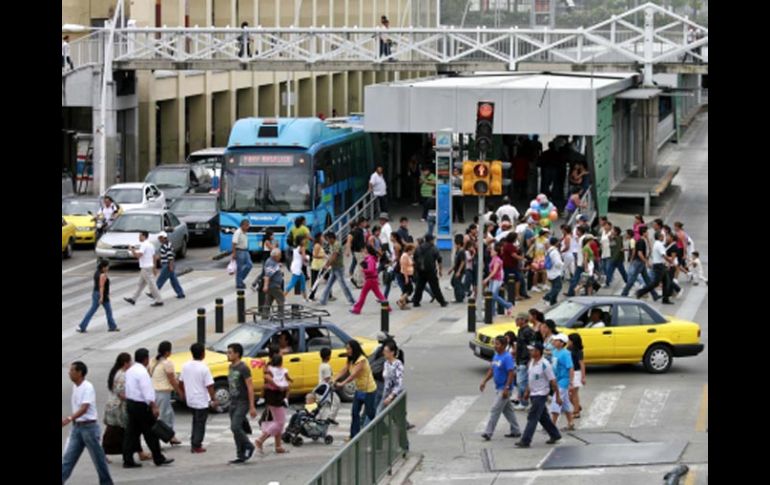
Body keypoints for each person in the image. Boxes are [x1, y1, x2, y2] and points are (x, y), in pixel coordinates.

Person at [62, 361, 114, 485]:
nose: (69, 373)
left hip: (89, 428)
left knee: (98, 459)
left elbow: (84, 408)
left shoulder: (87, 387)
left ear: (79, 373)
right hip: (77, 428)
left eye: (72, 370)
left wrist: (69, 418)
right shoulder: (76, 386)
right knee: (68, 458)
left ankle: (106, 482)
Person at [123, 348, 174, 467]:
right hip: (141, 406)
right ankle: (158, 458)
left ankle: (128, 460)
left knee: (131, 433)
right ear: (145, 359)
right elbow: (147, 391)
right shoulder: (142, 372)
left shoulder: (130, 370)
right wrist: (154, 406)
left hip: (131, 403)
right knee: (151, 432)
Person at [103, 353, 152, 462]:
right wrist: (134, 399)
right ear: (125, 363)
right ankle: (138, 453)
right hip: (119, 407)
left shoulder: (117, 372)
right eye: (130, 362)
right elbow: (121, 393)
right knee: (128, 431)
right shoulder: (122, 374)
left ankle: (139, 452)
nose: (131, 364)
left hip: (114, 406)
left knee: (122, 431)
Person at [514, 342, 563, 448]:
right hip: (533, 393)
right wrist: (527, 392)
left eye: (532, 350)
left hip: (541, 395)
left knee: (532, 417)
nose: (530, 352)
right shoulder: (531, 362)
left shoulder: (545, 364)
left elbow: (553, 381)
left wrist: (558, 397)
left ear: (538, 351)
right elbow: (530, 379)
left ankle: (525, 440)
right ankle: (555, 435)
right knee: (543, 417)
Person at [479, 336, 521, 441]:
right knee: (508, 411)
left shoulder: (507, 357)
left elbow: (511, 373)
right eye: (495, 343)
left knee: (495, 409)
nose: (495, 346)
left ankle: (488, 432)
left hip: (504, 388)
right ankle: (516, 430)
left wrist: (507, 388)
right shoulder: (496, 355)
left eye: (497, 344)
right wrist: (484, 381)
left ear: (504, 345)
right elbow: (492, 370)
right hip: (498, 388)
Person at [333, 339, 377, 439]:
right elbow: (344, 370)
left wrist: (342, 383)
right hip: (359, 389)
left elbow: (353, 375)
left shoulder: (361, 360)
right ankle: (354, 436)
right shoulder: (350, 359)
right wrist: (334, 379)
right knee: (354, 413)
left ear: (354, 349)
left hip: (368, 390)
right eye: (346, 348)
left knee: (371, 414)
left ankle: (383, 430)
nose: (347, 351)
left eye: (349, 349)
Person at [179, 343, 218, 453]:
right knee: (200, 424)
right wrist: (213, 399)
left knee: (195, 421)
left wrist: (184, 393)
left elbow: (180, 383)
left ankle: (193, 442)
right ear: (203, 354)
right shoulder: (204, 368)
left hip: (191, 399)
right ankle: (196, 445)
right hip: (201, 400)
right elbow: (209, 386)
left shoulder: (185, 366)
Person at [226, 343, 257, 464]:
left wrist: (252, 406)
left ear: (237, 354)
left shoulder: (243, 368)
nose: (228, 355)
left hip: (242, 402)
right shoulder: (231, 367)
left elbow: (250, 387)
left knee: (235, 426)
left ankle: (249, 445)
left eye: (230, 352)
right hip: (233, 402)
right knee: (236, 430)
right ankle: (240, 454)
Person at [255, 354, 291, 454]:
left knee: (277, 421)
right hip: (276, 398)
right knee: (280, 423)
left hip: (274, 398)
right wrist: (280, 386)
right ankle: (260, 440)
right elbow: (268, 379)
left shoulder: (271, 369)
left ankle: (278, 446)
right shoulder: (270, 370)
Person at [150, 341, 183, 446]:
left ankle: (171, 437)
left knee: (169, 415)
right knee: (164, 416)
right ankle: (164, 438)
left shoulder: (153, 360)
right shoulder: (167, 363)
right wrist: (179, 391)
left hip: (154, 392)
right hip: (163, 393)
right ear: (167, 352)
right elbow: (172, 380)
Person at [77, 260, 119, 333]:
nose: (108, 267)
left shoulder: (97, 272)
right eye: (107, 266)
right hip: (101, 294)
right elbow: (101, 286)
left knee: (93, 310)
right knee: (108, 311)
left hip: (95, 293)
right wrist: (102, 297)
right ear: (103, 267)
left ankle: (82, 326)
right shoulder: (102, 275)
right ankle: (112, 326)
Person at [124, 231, 163, 307]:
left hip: (146, 268)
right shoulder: (150, 245)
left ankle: (159, 300)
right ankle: (133, 299)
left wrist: (132, 250)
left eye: (140, 236)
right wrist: (154, 267)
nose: (139, 237)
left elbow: (139, 256)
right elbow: (154, 257)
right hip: (148, 267)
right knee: (140, 284)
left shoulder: (144, 245)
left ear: (144, 236)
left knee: (152, 285)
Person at [351, 245, 391, 314]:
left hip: (370, 280)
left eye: (365, 249)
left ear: (367, 250)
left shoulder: (370, 259)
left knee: (363, 294)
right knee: (379, 294)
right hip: (373, 279)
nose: (363, 250)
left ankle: (357, 309)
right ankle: (388, 307)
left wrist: (364, 270)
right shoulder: (370, 258)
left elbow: (371, 270)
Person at [319, 231, 356, 306]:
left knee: (343, 285)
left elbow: (334, 256)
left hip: (338, 268)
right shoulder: (332, 245)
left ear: (331, 238)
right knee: (329, 284)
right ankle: (323, 300)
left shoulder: (336, 245)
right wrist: (326, 264)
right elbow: (331, 256)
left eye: (328, 239)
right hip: (334, 267)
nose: (327, 241)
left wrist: (327, 265)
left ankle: (352, 300)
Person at [636, 231, 673, 304]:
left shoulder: (656, 243)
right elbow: (663, 255)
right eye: (662, 236)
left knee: (666, 281)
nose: (664, 237)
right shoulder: (659, 244)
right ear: (659, 237)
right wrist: (670, 260)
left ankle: (665, 299)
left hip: (660, 265)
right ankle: (640, 292)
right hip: (659, 265)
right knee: (656, 283)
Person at [412, 234, 448, 307]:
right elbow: (439, 260)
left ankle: (416, 302)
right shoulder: (434, 248)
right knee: (435, 287)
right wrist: (440, 270)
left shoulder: (419, 248)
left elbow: (414, 259)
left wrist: (416, 269)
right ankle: (442, 302)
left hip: (421, 271)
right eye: (433, 239)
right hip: (431, 271)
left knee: (419, 287)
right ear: (431, 240)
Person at [549, 334, 575, 430]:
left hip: (564, 380)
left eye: (556, 340)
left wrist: (571, 382)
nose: (554, 342)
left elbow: (570, 368)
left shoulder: (566, 353)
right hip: (557, 380)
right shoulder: (554, 352)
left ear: (562, 343)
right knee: (565, 403)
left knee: (556, 400)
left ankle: (552, 425)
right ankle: (571, 423)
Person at [484, 243, 514, 316]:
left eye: (492, 250)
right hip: (493, 279)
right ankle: (492, 312)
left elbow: (494, 271)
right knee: (491, 296)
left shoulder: (497, 260)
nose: (491, 251)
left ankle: (508, 305)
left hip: (497, 280)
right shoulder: (493, 259)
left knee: (494, 295)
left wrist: (487, 279)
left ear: (496, 252)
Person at [153, 231, 185, 299]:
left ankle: (154, 293)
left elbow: (170, 256)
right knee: (174, 280)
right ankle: (180, 293)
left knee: (161, 279)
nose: (159, 239)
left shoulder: (167, 245)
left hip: (167, 265)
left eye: (160, 238)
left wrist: (170, 266)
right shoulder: (165, 245)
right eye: (159, 238)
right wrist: (158, 257)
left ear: (164, 238)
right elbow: (164, 254)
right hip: (167, 264)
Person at [513, 313, 535, 409]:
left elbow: (531, 347)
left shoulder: (528, 332)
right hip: (520, 360)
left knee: (521, 382)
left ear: (523, 320)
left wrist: (530, 360)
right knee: (521, 382)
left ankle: (525, 402)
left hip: (525, 360)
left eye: (517, 319)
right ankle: (523, 401)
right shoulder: (520, 330)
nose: (516, 321)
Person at [376, 339, 405, 414]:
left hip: (394, 395)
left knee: (386, 414)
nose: (384, 353)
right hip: (385, 393)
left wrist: (391, 396)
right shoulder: (386, 363)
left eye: (386, 351)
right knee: (379, 412)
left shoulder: (398, 364)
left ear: (392, 352)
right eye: (384, 351)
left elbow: (399, 383)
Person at [317, 347, 341, 423]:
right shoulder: (326, 366)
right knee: (336, 402)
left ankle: (326, 418)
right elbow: (327, 379)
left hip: (322, 388)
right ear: (328, 356)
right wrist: (335, 384)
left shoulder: (321, 365)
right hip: (326, 389)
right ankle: (328, 418)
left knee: (325, 404)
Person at [284, 235, 309, 301]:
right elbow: (304, 258)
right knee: (292, 284)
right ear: (301, 241)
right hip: (297, 268)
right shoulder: (302, 248)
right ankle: (282, 297)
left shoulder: (296, 247)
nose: (305, 241)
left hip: (294, 266)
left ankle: (305, 298)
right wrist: (308, 258)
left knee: (303, 281)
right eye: (304, 239)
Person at [262, 248, 286, 315]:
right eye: (279, 255)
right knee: (281, 299)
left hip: (272, 285)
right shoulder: (271, 262)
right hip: (274, 286)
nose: (280, 257)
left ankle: (265, 316)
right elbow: (267, 275)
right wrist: (265, 286)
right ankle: (280, 316)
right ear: (275, 256)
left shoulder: (273, 261)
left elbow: (273, 270)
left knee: (268, 302)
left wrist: (278, 265)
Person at [567, 333, 585, 419]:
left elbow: (582, 364)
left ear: (573, 341)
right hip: (569, 372)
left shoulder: (578, 351)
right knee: (568, 394)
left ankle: (576, 411)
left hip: (576, 373)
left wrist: (583, 377)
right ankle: (577, 406)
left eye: (569, 340)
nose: (568, 342)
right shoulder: (567, 349)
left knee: (574, 393)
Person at [231, 219, 253, 290]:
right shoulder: (238, 232)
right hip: (239, 251)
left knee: (250, 265)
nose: (248, 227)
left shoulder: (245, 232)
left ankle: (240, 280)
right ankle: (239, 284)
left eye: (248, 225)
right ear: (242, 225)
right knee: (239, 268)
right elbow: (234, 243)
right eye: (247, 226)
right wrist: (234, 253)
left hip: (245, 251)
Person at [543, 237, 564, 306]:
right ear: (556, 243)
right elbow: (557, 263)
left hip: (550, 272)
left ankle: (553, 301)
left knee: (554, 287)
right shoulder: (554, 252)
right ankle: (548, 297)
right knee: (558, 287)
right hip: (555, 273)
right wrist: (563, 264)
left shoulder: (549, 251)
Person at [397, 242, 416, 309]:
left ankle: (403, 304)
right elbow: (404, 267)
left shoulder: (408, 256)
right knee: (409, 290)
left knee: (406, 290)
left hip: (408, 274)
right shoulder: (404, 256)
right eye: (413, 250)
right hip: (404, 275)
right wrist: (406, 277)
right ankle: (400, 301)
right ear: (409, 250)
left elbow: (409, 264)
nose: (413, 251)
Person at [308, 233, 326, 301]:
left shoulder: (319, 245)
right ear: (319, 238)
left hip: (320, 265)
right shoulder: (317, 245)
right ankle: (311, 296)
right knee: (315, 282)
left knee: (316, 281)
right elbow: (315, 255)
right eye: (322, 237)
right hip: (316, 266)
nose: (323, 238)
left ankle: (312, 295)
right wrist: (323, 256)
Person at [450, 234, 467, 303]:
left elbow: (462, 262)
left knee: (457, 283)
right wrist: (452, 269)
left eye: (456, 244)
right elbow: (456, 262)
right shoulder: (458, 251)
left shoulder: (461, 251)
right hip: (456, 270)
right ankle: (462, 293)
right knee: (453, 282)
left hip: (460, 271)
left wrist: (459, 272)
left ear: (459, 244)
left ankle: (459, 298)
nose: (455, 246)